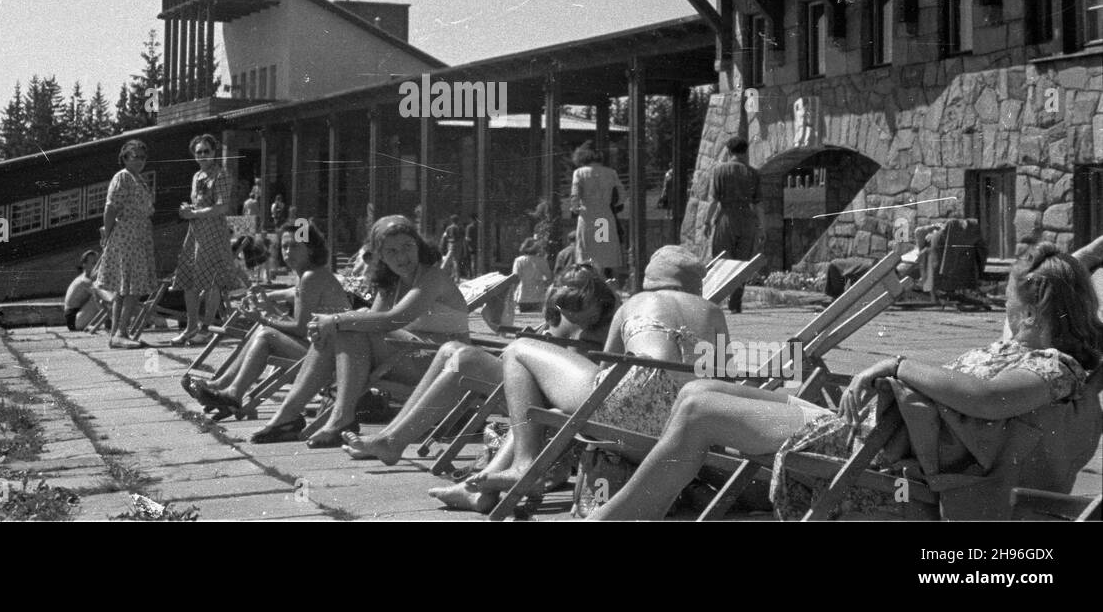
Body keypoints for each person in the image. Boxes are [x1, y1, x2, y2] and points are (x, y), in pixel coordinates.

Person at [589, 242, 1103, 520]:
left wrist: (897, 364)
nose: (1006, 316)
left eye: (1012, 307)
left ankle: (614, 520)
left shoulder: (1054, 368)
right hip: (871, 435)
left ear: (1035, 312)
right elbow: (1057, 284)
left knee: (702, 409)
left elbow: (987, 398)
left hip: (882, 453)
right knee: (697, 391)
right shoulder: (1029, 350)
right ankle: (628, 515)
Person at [459, 246, 729, 509]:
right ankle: (488, 488)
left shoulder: (636, 303)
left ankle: (523, 465)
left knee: (519, 350)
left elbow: (605, 368)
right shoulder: (712, 312)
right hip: (684, 429)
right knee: (551, 399)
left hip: (624, 415)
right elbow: (720, 376)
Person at [341, 263, 618, 466]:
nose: (573, 317)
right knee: (450, 349)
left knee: (466, 358)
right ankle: (391, 436)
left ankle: (392, 442)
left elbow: (587, 370)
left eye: (580, 311)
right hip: (532, 383)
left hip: (555, 396)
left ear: (597, 300)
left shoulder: (604, 324)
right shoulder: (565, 310)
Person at [248, 215, 469, 447]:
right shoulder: (391, 283)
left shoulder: (432, 277)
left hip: (443, 364)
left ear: (419, 245)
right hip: (410, 356)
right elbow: (372, 321)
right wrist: (337, 324)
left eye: (407, 247)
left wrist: (335, 320)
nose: (402, 257)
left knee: (348, 327)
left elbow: (390, 320)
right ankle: (293, 414)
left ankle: (330, 417)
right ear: (380, 256)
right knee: (348, 328)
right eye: (392, 251)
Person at [183, 221, 348, 419]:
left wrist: (264, 317)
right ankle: (222, 386)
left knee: (266, 333)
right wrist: (268, 296)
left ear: (311, 249)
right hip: (328, 353)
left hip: (331, 363)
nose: (288, 252)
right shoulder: (311, 274)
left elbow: (301, 329)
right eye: (285, 246)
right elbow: (293, 293)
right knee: (261, 329)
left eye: (295, 246)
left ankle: (232, 394)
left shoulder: (310, 278)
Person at [171, 134, 246, 346]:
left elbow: (222, 207)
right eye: (198, 152)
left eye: (206, 151)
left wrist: (194, 214)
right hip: (195, 233)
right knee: (189, 279)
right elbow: (201, 203)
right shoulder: (197, 176)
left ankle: (205, 329)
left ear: (214, 153)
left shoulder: (221, 175)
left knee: (211, 281)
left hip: (213, 232)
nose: (202, 155)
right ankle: (191, 327)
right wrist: (188, 209)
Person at [95, 139, 157, 349]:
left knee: (125, 287)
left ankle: (116, 334)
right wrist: (108, 234)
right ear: (124, 158)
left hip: (138, 235)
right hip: (127, 235)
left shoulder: (139, 179)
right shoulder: (123, 176)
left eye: (142, 157)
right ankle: (121, 331)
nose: (139, 160)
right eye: (134, 156)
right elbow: (111, 208)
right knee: (132, 286)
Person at [703, 136, 765, 313]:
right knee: (741, 262)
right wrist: (762, 228)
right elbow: (758, 204)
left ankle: (717, 300)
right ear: (745, 152)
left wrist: (707, 221)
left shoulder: (719, 171)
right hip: (747, 219)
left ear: (729, 152)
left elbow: (714, 200)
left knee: (721, 259)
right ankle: (735, 303)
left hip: (726, 218)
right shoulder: (753, 173)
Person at [569, 142, 627, 279]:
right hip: (603, 218)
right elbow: (622, 194)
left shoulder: (579, 172)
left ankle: (589, 283)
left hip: (587, 216)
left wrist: (576, 208)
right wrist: (614, 204)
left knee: (586, 254)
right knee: (603, 253)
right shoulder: (610, 172)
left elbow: (575, 195)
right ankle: (605, 281)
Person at [64, 250, 114, 331]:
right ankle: (110, 321)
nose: (97, 267)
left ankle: (110, 321)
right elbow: (106, 296)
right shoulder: (84, 281)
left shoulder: (87, 279)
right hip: (74, 320)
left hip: (78, 316)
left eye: (97, 264)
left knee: (99, 296)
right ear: (84, 265)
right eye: (93, 264)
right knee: (97, 298)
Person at [507, 238, 552, 328]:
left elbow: (515, 278)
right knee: (536, 321)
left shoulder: (519, 260)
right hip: (538, 294)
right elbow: (549, 277)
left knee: (525, 320)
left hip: (523, 294)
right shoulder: (542, 260)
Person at [439, 216, 466, 282]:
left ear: (451, 221)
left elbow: (444, 237)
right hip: (459, 244)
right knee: (456, 261)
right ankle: (456, 277)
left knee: (448, 260)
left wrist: (442, 246)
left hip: (451, 244)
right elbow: (463, 237)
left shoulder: (448, 228)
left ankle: (441, 275)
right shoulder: (460, 228)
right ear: (458, 220)